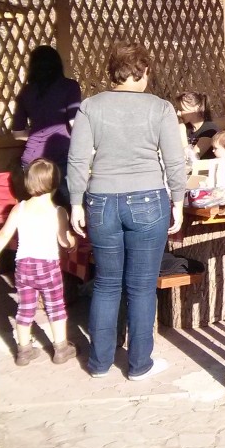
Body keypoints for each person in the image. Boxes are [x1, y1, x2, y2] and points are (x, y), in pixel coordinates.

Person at [67, 41, 186, 381]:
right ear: (142, 71)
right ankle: (139, 365)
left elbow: (77, 159)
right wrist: (178, 200)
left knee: (106, 285)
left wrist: (75, 201)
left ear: (113, 72)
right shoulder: (160, 108)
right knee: (141, 287)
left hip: (101, 201)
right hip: (148, 201)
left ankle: (100, 364)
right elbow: (174, 159)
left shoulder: (90, 107)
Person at [0, 158, 78, 366]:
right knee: (55, 307)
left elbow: (4, 234)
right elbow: (64, 241)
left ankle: (24, 351)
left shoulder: (20, 208)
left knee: (25, 308)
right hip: (48, 267)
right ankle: (61, 348)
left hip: (24, 266)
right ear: (55, 183)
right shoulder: (58, 212)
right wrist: (72, 242)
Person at [11, 46, 82, 203]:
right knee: (67, 207)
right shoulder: (69, 87)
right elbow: (74, 123)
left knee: (35, 208)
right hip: (60, 159)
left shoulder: (26, 92)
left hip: (32, 161)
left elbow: (17, 133)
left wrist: (36, 132)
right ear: (57, 64)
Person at [176, 91, 218, 159]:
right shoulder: (188, 128)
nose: (178, 113)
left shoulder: (209, 130)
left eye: (181, 109)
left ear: (197, 108)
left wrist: (182, 133)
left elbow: (191, 159)